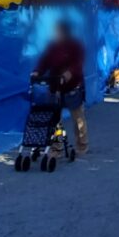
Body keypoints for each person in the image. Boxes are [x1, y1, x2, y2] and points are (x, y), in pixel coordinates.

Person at [31, 20, 89, 154]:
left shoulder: (75, 46)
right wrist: (37, 71)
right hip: (56, 86)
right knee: (55, 120)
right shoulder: (53, 47)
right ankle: (57, 147)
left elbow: (78, 63)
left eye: (60, 32)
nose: (58, 34)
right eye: (56, 32)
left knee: (78, 118)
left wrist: (69, 72)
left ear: (66, 32)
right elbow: (44, 61)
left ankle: (82, 144)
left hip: (73, 86)